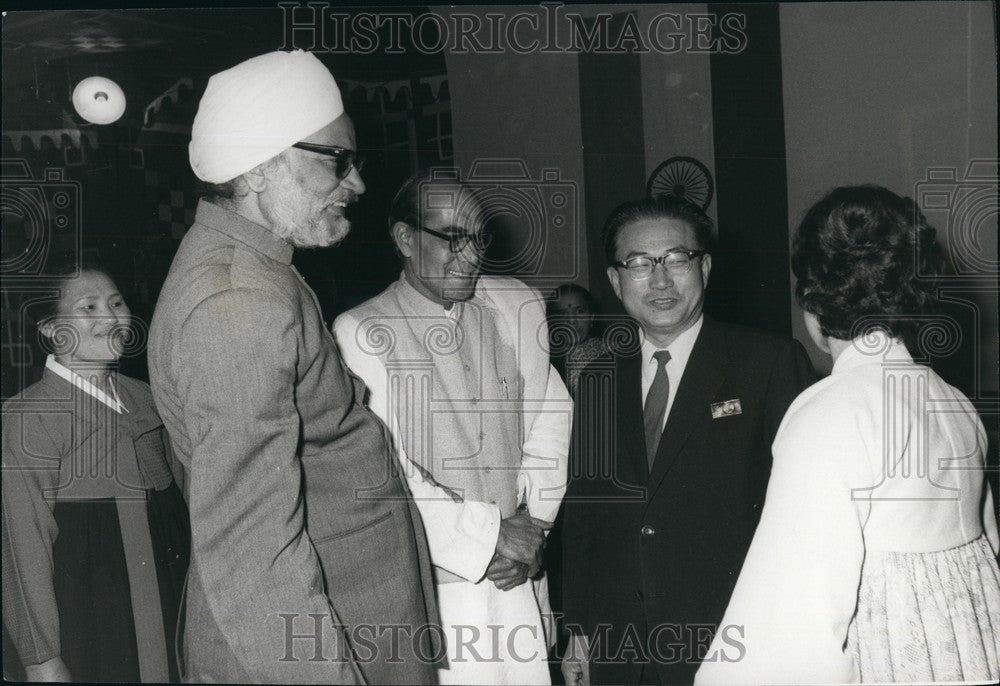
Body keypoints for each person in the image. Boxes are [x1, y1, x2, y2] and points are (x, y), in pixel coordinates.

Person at [148, 51, 439, 684]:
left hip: (347, 620)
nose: (357, 184)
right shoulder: (238, 302)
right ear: (259, 166)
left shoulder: (256, 269)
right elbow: (253, 555)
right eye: (336, 159)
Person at [695, 185, 1000, 684]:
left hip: (891, 660)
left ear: (811, 305)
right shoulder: (953, 400)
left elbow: (792, 619)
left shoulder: (832, 411)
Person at [560, 195, 816, 685]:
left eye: (677, 259)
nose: (660, 280)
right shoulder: (596, 379)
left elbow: (803, 515)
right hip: (620, 648)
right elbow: (585, 517)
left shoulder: (768, 364)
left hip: (733, 641)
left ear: (706, 267)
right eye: (638, 263)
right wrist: (578, 630)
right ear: (615, 281)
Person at [333, 170, 572, 685]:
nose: (471, 255)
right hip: (442, 589)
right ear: (404, 239)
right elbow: (388, 469)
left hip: (521, 580)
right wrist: (488, 541)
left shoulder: (518, 306)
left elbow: (552, 417)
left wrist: (535, 525)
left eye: (478, 238)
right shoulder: (360, 331)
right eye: (452, 238)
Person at [2, 262, 189, 683]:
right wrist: (41, 658)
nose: (110, 317)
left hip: (172, 616)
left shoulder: (148, 401)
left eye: (116, 303)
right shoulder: (29, 418)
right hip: (93, 630)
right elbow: (19, 550)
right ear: (51, 327)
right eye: (88, 307)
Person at [546, 284, 608, 396]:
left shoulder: (612, 354)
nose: (572, 320)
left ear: (592, 317)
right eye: (563, 314)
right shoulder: (544, 363)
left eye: (579, 311)